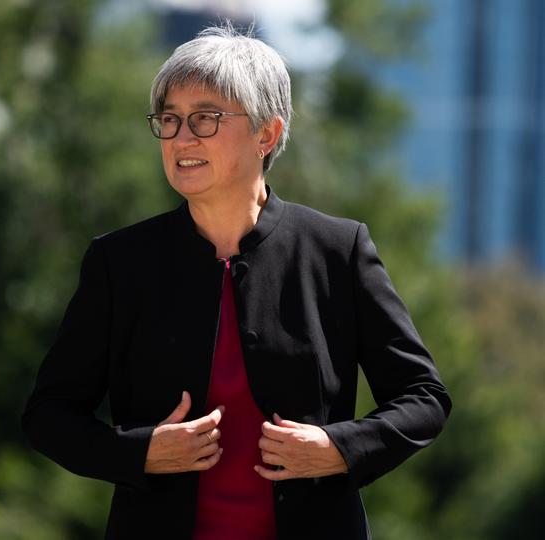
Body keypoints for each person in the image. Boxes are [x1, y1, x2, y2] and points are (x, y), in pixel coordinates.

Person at [22, 25, 451, 540]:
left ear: (266, 134)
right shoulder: (119, 262)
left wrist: (338, 449)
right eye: (170, 120)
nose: (182, 138)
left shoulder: (338, 250)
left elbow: (423, 397)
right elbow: (48, 416)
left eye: (205, 118)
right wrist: (139, 453)